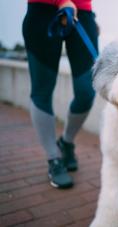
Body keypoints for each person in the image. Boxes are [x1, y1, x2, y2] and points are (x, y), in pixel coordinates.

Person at [22, 0, 98, 188]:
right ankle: (53, 158)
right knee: (42, 91)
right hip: (42, 10)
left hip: (82, 11)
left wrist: (89, 15)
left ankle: (66, 142)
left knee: (86, 91)